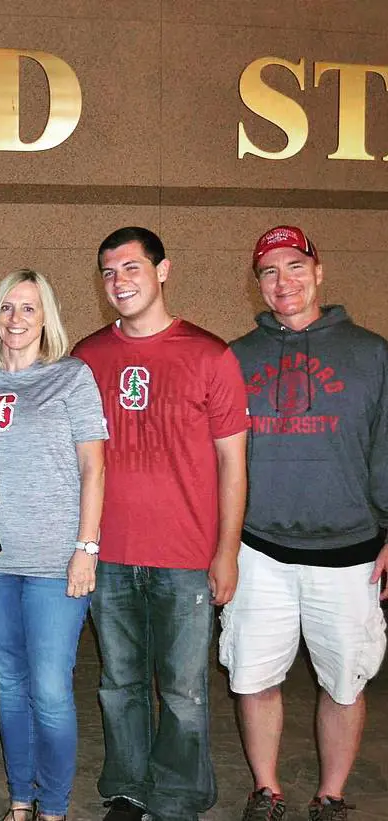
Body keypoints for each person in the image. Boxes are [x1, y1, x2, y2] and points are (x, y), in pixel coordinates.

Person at [71, 227, 248, 821]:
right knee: (117, 684)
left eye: (131, 268)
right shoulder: (88, 357)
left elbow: (233, 462)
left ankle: (177, 798)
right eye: (108, 272)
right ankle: (127, 788)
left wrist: (227, 552)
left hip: (185, 555)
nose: (119, 281)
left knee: (183, 690)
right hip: (111, 552)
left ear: (163, 270)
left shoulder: (210, 354)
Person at [223, 226, 388, 821]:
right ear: (257, 285)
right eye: (268, 272)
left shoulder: (373, 354)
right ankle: (266, 790)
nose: (282, 281)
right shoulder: (237, 358)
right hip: (259, 551)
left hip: (350, 553)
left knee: (345, 682)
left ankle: (332, 795)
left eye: (294, 266)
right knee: (254, 675)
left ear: (318, 271)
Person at [0, 269, 107, 821]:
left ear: (46, 317)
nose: (16, 319)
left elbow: (94, 467)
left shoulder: (72, 377)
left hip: (57, 562)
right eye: (8, 307)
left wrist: (87, 547)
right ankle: (20, 801)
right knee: (9, 685)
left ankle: (53, 808)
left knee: (51, 690)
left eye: (29, 308)